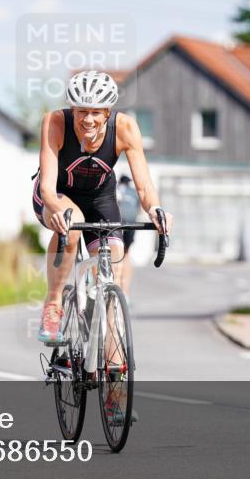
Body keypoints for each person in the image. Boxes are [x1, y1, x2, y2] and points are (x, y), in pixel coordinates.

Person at [31, 70, 173, 346]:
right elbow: (47, 186)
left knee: (114, 272)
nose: (88, 119)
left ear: (108, 111)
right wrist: (57, 211)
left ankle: (113, 373)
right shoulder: (55, 122)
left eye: (96, 112)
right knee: (72, 227)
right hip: (57, 195)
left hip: (100, 198)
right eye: (82, 111)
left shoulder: (125, 128)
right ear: (73, 109)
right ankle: (53, 304)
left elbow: (144, 187)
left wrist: (156, 210)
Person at [116, 174, 140, 296]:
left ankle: (116, 284)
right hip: (131, 223)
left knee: (114, 252)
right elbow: (137, 209)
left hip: (118, 223)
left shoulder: (117, 189)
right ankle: (125, 289)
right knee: (126, 254)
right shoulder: (134, 192)